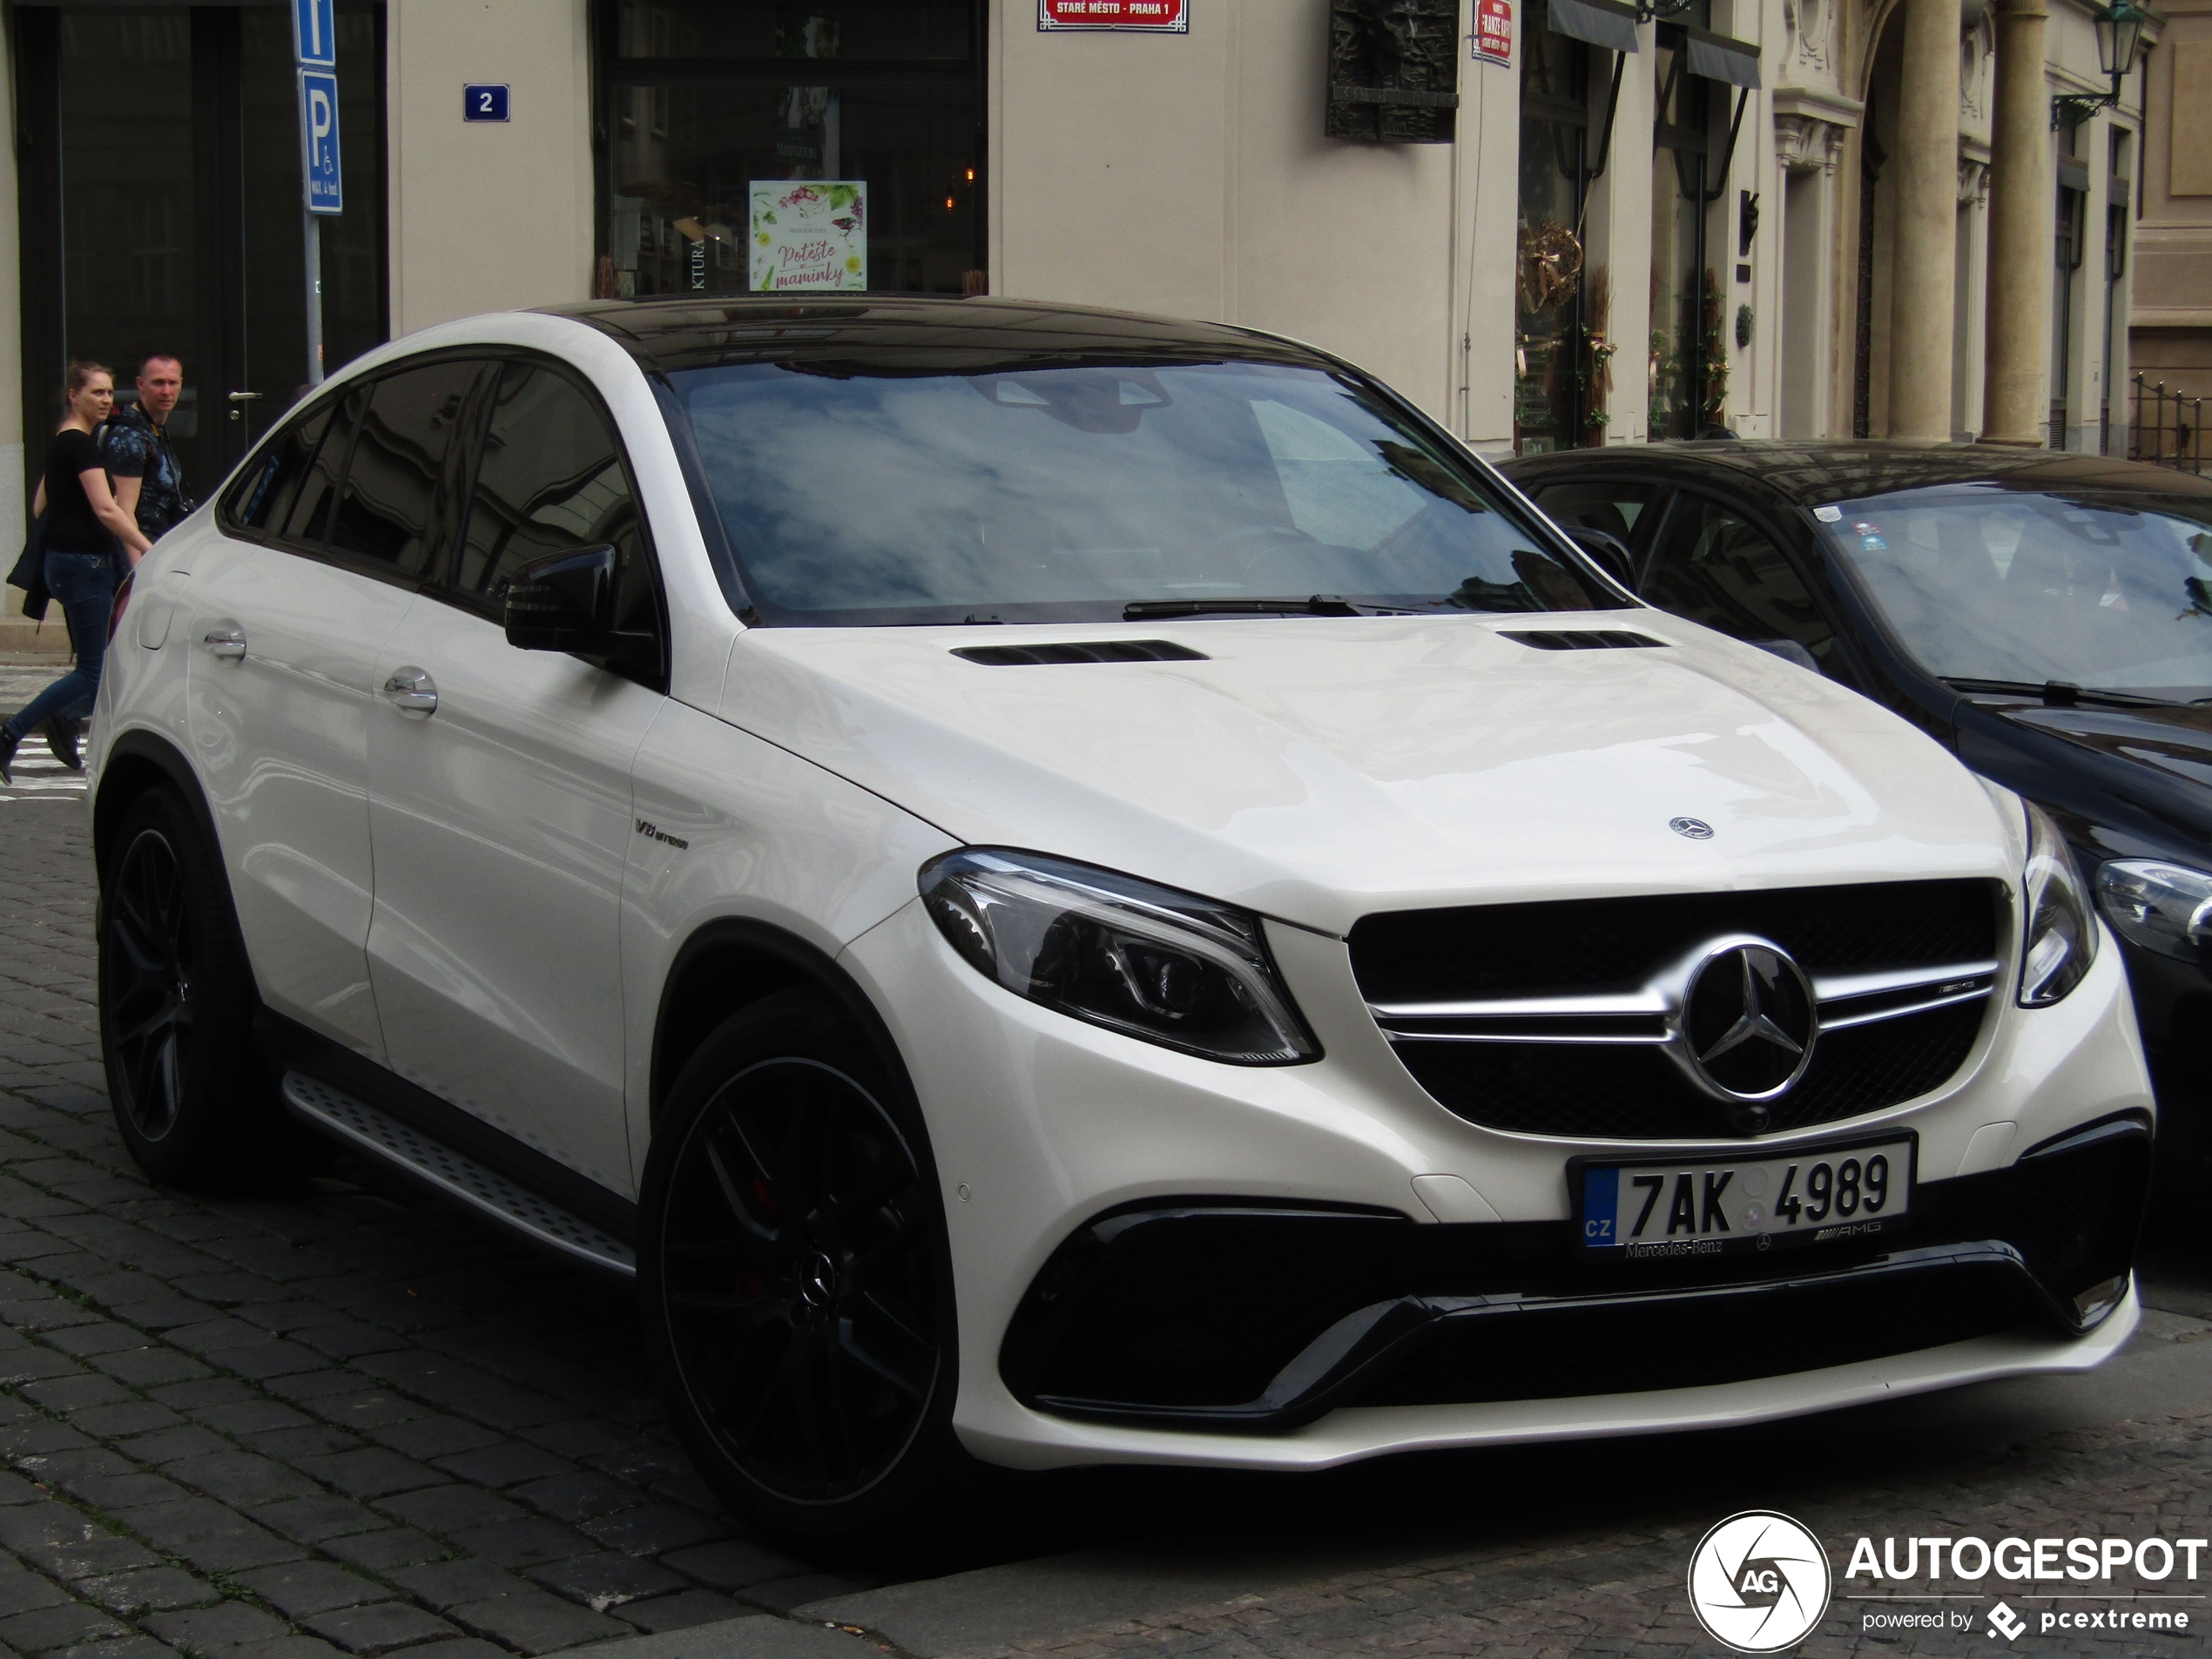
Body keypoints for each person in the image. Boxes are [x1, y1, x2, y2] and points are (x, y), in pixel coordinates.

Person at [0, 364, 152, 785]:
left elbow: (38, 507)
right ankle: (13, 732)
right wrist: (148, 549)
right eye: (97, 393)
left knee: (98, 666)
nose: (106, 400)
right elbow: (108, 509)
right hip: (85, 566)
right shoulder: (82, 447)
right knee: (93, 670)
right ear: (73, 395)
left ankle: (67, 723)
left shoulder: (63, 442)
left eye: (109, 393)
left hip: (66, 566)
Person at [103, 353, 194, 543]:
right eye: (158, 383)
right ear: (140, 384)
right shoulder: (129, 437)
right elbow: (123, 514)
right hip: (142, 551)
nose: (166, 391)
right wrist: (139, 566)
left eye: (173, 383)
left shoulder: (153, 426)